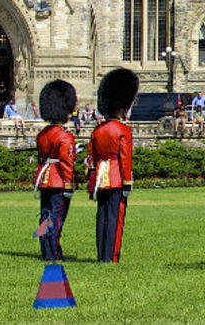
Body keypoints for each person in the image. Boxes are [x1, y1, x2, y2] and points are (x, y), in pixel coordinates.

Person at [88, 67, 138, 263]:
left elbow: (91, 157)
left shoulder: (97, 130)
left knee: (101, 217)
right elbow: (125, 157)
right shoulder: (123, 130)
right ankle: (111, 256)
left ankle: (101, 254)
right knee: (115, 218)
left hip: (101, 177)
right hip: (117, 177)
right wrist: (127, 182)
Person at [35, 79, 78, 261]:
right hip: (59, 180)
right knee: (56, 218)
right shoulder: (64, 136)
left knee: (45, 216)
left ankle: (46, 250)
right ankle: (53, 251)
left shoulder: (43, 134)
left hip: (45, 178)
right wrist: (69, 185)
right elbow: (66, 163)